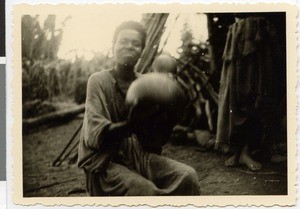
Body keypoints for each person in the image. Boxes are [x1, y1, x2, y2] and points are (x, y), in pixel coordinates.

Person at [77, 21, 200, 196]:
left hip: (139, 156)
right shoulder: (98, 81)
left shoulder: (148, 84)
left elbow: (154, 141)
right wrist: (131, 124)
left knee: (188, 176)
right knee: (144, 191)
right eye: (123, 41)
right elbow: (95, 135)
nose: (129, 47)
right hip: (105, 163)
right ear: (114, 46)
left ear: (142, 52)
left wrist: (169, 117)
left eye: (135, 44)